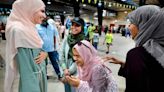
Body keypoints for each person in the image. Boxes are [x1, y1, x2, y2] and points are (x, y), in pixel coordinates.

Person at [104, 5, 164, 92]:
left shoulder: (137, 54)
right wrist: (127, 65)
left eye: (132, 23)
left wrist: (134, 61)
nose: (129, 27)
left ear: (145, 25)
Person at [4, 0, 47, 92]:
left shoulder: (30, 27)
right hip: (32, 83)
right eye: (42, 11)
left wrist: (44, 53)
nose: (45, 16)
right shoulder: (19, 31)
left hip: (39, 76)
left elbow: (38, 49)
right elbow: (27, 71)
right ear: (30, 9)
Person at [59, 17, 85, 92]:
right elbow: (61, 54)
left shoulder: (84, 42)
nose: (74, 27)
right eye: (73, 24)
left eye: (77, 25)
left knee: (74, 89)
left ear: (82, 27)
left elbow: (81, 59)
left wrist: (69, 71)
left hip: (77, 69)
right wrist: (64, 68)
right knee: (67, 89)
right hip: (66, 67)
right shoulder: (67, 38)